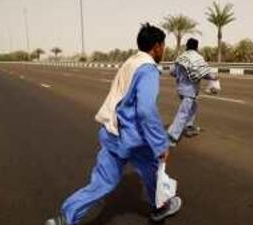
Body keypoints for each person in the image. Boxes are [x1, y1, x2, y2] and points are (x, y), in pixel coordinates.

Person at [44, 23, 182, 225]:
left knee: (102, 182)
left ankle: (65, 218)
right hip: (133, 137)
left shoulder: (130, 62)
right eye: (164, 45)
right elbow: (145, 110)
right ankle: (160, 206)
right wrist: (160, 143)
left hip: (112, 131)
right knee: (152, 168)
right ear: (157, 46)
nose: (164, 50)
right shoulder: (148, 69)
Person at [167, 38, 220, 147]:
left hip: (181, 89)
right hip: (189, 91)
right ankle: (172, 137)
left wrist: (181, 75)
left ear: (187, 46)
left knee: (193, 106)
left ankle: (189, 126)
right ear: (196, 47)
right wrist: (213, 77)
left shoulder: (181, 57)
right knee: (183, 113)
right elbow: (204, 73)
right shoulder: (197, 58)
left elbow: (172, 71)